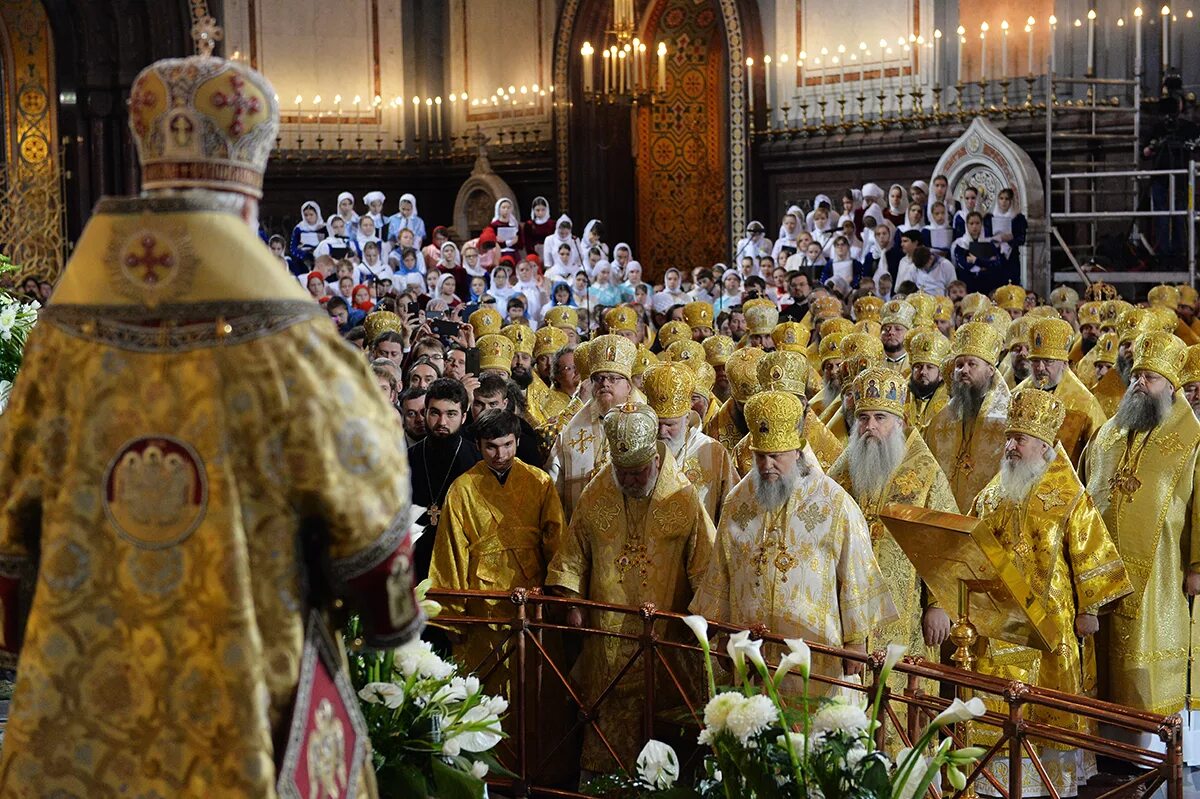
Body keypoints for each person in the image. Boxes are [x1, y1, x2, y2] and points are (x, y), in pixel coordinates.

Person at [0, 53, 422, 795]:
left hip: (85, 711)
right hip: (247, 700)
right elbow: (373, 545)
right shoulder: (297, 350)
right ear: (249, 203)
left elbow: (9, 533)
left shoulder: (58, 345)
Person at [971, 388, 1132, 797]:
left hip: (1053, 625)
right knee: (1000, 709)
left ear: (1043, 445)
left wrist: (1089, 608)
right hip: (1000, 625)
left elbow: (1091, 549)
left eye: (1019, 439)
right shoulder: (990, 496)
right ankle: (998, 784)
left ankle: (1046, 785)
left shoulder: (1069, 494)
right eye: (1008, 437)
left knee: (1051, 707)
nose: (1009, 445)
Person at [546, 401, 715, 774]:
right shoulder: (597, 493)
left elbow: (707, 569)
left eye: (638, 473)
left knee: (666, 748)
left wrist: (700, 619)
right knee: (606, 736)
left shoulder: (683, 499)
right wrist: (571, 601)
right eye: (624, 473)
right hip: (607, 644)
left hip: (664, 644)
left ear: (655, 457)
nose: (631, 481)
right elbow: (572, 558)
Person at [690, 390, 896, 690]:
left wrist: (855, 643)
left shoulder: (833, 502)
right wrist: (721, 632)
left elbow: (855, 572)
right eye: (760, 456)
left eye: (776, 457)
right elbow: (721, 568)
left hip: (815, 652)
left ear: (797, 452)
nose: (766, 466)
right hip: (752, 650)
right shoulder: (738, 501)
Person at [1082, 332, 1200, 744]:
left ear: (1171, 385)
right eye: (1136, 376)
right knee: (1103, 662)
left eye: (1149, 377)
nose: (1138, 384)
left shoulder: (1193, 438)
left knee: (1139, 667)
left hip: (1162, 573)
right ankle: (1106, 749)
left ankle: (1149, 752)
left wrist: (1198, 565)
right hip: (1099, 570)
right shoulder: (1110, 433)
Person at [826, 367, 958, 733]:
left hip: (905, 615)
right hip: (848, 614)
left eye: (880, 418)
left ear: (898, 422)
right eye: (864, 417)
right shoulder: (845, 466)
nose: (870, 426)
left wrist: (938, 604)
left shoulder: (924, 468)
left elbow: (946, 541)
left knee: (903, 710)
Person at [429, 406, 564, 685]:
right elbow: (451, 552)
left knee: (533, 683)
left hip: (532, 596)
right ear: (478, 446)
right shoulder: (462, 488)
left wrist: (558, 595)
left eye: (507, 445)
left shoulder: (539, 482)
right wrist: (452, 613)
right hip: (482, 601)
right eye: (491, 447)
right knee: (486, 682)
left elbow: (556, 541)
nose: (501, 455)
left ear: (517, 440)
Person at [925, 321, 1011, 510]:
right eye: (959, 365)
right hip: (944, 521)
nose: (964, 370)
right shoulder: (940, 421)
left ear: (990, 370)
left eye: (972, 364)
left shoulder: (1008, 420)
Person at [550, 334, 637, 519]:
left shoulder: (645, 424)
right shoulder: (571, 431)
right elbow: (554, 489)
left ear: (629, 386)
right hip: (583, 525)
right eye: (598, 378)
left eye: (613, 378)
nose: (604, 383)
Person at [643, 363, 737, 525]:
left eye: (670, 425)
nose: (662, 432)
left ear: (687, 418)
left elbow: (731, 508)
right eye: (656, 424)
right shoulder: (639, 449)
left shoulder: (712, 451)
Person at [409, 377, 481, 581]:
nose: (442, 422)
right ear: (425, 413)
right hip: (415, 560)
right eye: (435, 413)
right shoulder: (408, 459)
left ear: (464, 417)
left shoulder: (477, 461)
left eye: (451, 414)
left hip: (462, 559)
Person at [1017, 318, 1107, 467]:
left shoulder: (1085, 404)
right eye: (1035, 361)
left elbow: (1099, 455)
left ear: (1064, 364)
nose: (1040, 368)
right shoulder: (1018, 395)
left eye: (1048, 361)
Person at [904, 330, 951, 435]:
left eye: (930, 367)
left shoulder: (950, 400)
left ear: (940, 374)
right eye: (918, 366)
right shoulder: (900, 394)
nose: (923, 372)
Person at [289, 199, 325, 267]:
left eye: (311, 215)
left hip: (320, 260)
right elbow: (292, 248)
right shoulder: (299, 228)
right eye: (306, 215)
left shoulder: (323, 228)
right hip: (301, 261)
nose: (308, 218)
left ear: (317, 214)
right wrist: (303, 255)